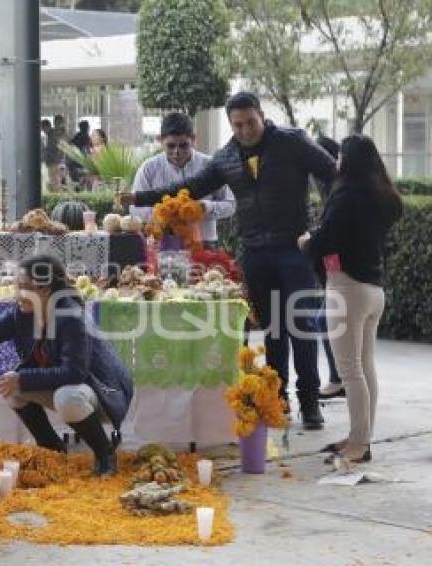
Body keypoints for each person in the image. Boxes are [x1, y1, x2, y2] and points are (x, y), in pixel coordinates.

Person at [120, 92, 336, 430]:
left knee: (301, 327)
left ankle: (310, 403)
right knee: (272, 331)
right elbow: (191, 187)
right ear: (231, 126)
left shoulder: (291, 142)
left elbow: (331, 172)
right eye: (238, 125)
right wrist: (141, 197)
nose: (246, 130)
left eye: (251, 122)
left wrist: (325, 226)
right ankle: (278, 401)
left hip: (295, 249)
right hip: (254, 253)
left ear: (262, 116)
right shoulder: (226, 157)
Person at [0, 254, 134, 476]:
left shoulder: (70, 317)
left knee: (65, 396)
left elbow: (75, 373)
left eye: (23, 287)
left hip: (103, 393)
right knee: (11, 386)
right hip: (74, 386)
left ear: (44, 289)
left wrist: (23, 378)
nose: (17, 293)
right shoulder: (23, 312)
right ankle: (52, 449)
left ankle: (104, 453)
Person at [299, 135, 402, 464]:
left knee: (350, 372)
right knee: (365, 367)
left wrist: (306, 241)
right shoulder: (380, 194)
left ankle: (359, 445)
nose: (336, 162)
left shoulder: (345, 194)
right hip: (374, 291)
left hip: (347, 288)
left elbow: (327, 238)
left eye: (340, 156)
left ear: (348, 160)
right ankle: (361, 437)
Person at [131, 112, 235, 247]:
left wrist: (204, 207)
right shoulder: (148, 169)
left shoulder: (210, 165)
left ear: (193, 138)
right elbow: (135, 209)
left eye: (183, 145)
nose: (177, 152)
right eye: (171, 146)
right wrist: (165, 214)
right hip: (162, 243)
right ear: (160, 139)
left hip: (204, 243)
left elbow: (231, 205)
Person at [314, 133, 343, 399]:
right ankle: (340, 377)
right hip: (337, 266)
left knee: (324, 318)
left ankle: (339, 378)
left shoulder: (337, 187)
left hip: (344, 268)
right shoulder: (331, 185)